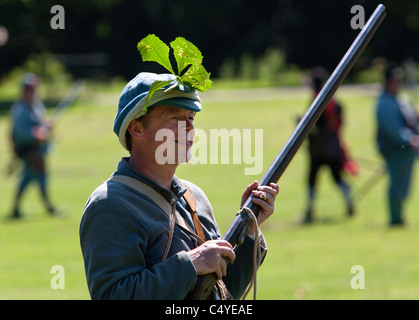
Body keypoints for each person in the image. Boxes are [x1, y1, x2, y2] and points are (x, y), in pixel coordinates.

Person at [79, 72, 279, 300]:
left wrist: (248, 232)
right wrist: (190, 264)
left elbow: (221, 292)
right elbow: (113, 296)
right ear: (136, 129)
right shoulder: (110, 204)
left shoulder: (195, 197)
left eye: (191, 117)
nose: (188, 128)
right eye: (174, 118)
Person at [301, 67, 355, 223]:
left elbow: (314, 127)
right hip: (334, 146)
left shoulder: (316, 101)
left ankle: (310, 210)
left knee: (312, 179)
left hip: (319, 149)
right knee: (337, 178)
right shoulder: (333, 101)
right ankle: (350, 202)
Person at [375, 67, 419, 226]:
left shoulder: (403, 99)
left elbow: (411, 119)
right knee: (397, 186)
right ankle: (395, 219)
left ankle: (400, 217)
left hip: (409, 149)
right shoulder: (384, 103)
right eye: (395, 81)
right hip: (396, 149)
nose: (398, 84)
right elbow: (393, 128)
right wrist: (409, 139)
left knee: (405, 185)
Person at [9, 73, 56, 219]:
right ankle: (48, 208)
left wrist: (46, 126)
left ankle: (17, 209)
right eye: (31, 89)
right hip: (29, 151)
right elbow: (21, 134)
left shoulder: (36, 105)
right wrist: (36, 135)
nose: (34, 91)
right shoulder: (20, 110)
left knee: (31, 178)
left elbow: (40, 123)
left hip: (38, 150)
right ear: (25, 90)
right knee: (35, 178)